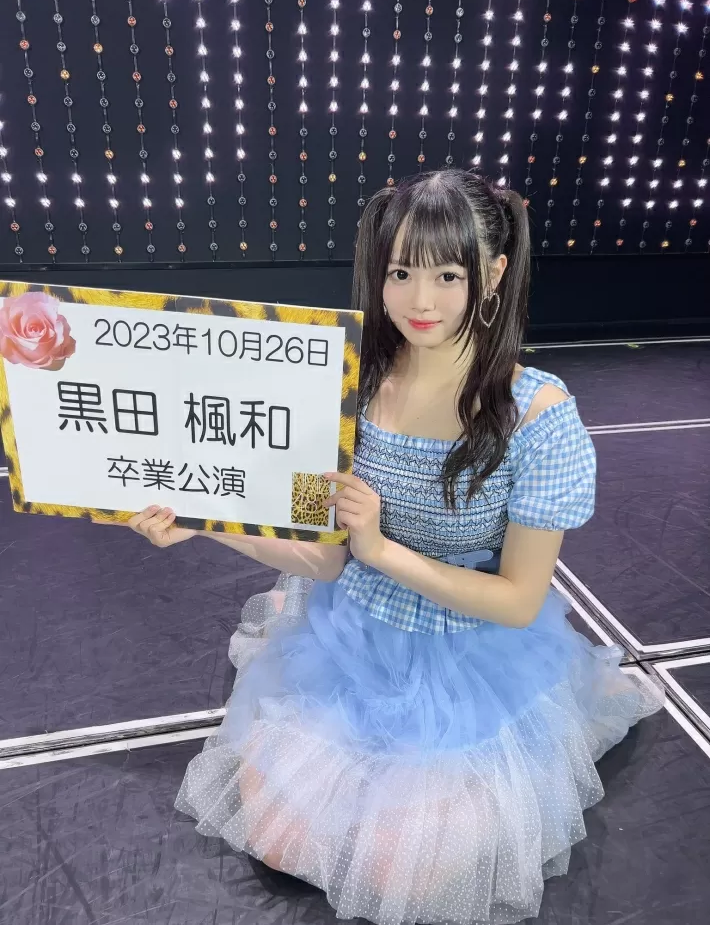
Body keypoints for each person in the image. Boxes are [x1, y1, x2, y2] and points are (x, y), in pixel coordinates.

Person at [114, 170, 663, 925]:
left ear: (493, 274)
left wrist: (382, 551)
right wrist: (206, 521)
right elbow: (321, 557)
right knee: (280, 834)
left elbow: (518, 601)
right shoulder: (346, 385)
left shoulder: (537, 415)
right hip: (351, 634)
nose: (419, 300)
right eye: (401, 272)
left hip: (472, 649)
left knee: (405, 865)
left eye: (447, 275)